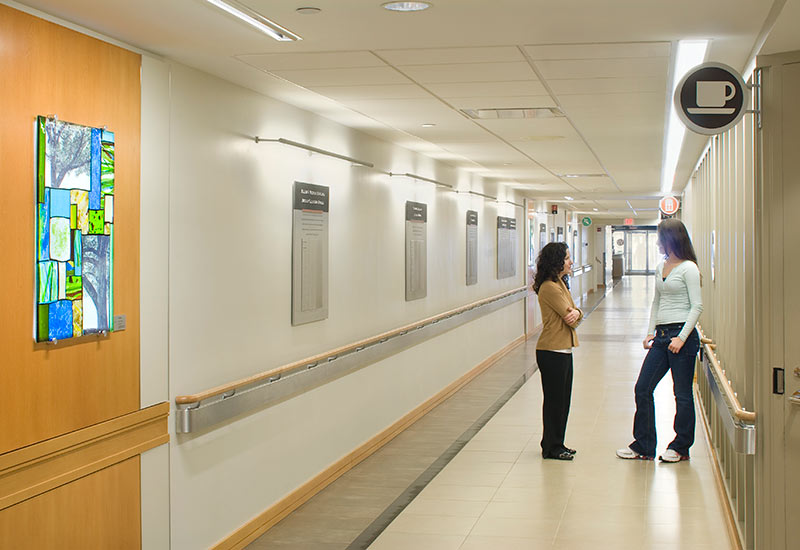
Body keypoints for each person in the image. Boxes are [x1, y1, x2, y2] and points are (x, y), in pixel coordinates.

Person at [617, 219, 703, 462]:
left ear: (671, 239)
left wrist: (682, 338)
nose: (657, 242)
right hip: (663, 336)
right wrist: (649, 332)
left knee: (682, 394)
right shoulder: (661, 266)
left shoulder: (689, 268)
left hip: (682, 338)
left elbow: (697, 306)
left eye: (660, 238)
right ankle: (644, 445)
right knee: (643, 388)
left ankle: (680, 447)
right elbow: (657, 301)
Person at [533, 242, 583, 461]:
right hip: (551, 351)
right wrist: (575, 314)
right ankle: (551, 447)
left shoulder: (561, 283)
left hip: (563, 350)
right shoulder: (550, 287)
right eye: (567, 258)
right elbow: (569, 316)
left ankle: (557, 442)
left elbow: (575, 311)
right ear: (556, 261)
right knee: (555, 401)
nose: (570, 262)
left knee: (563, 401)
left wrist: (577, 313)